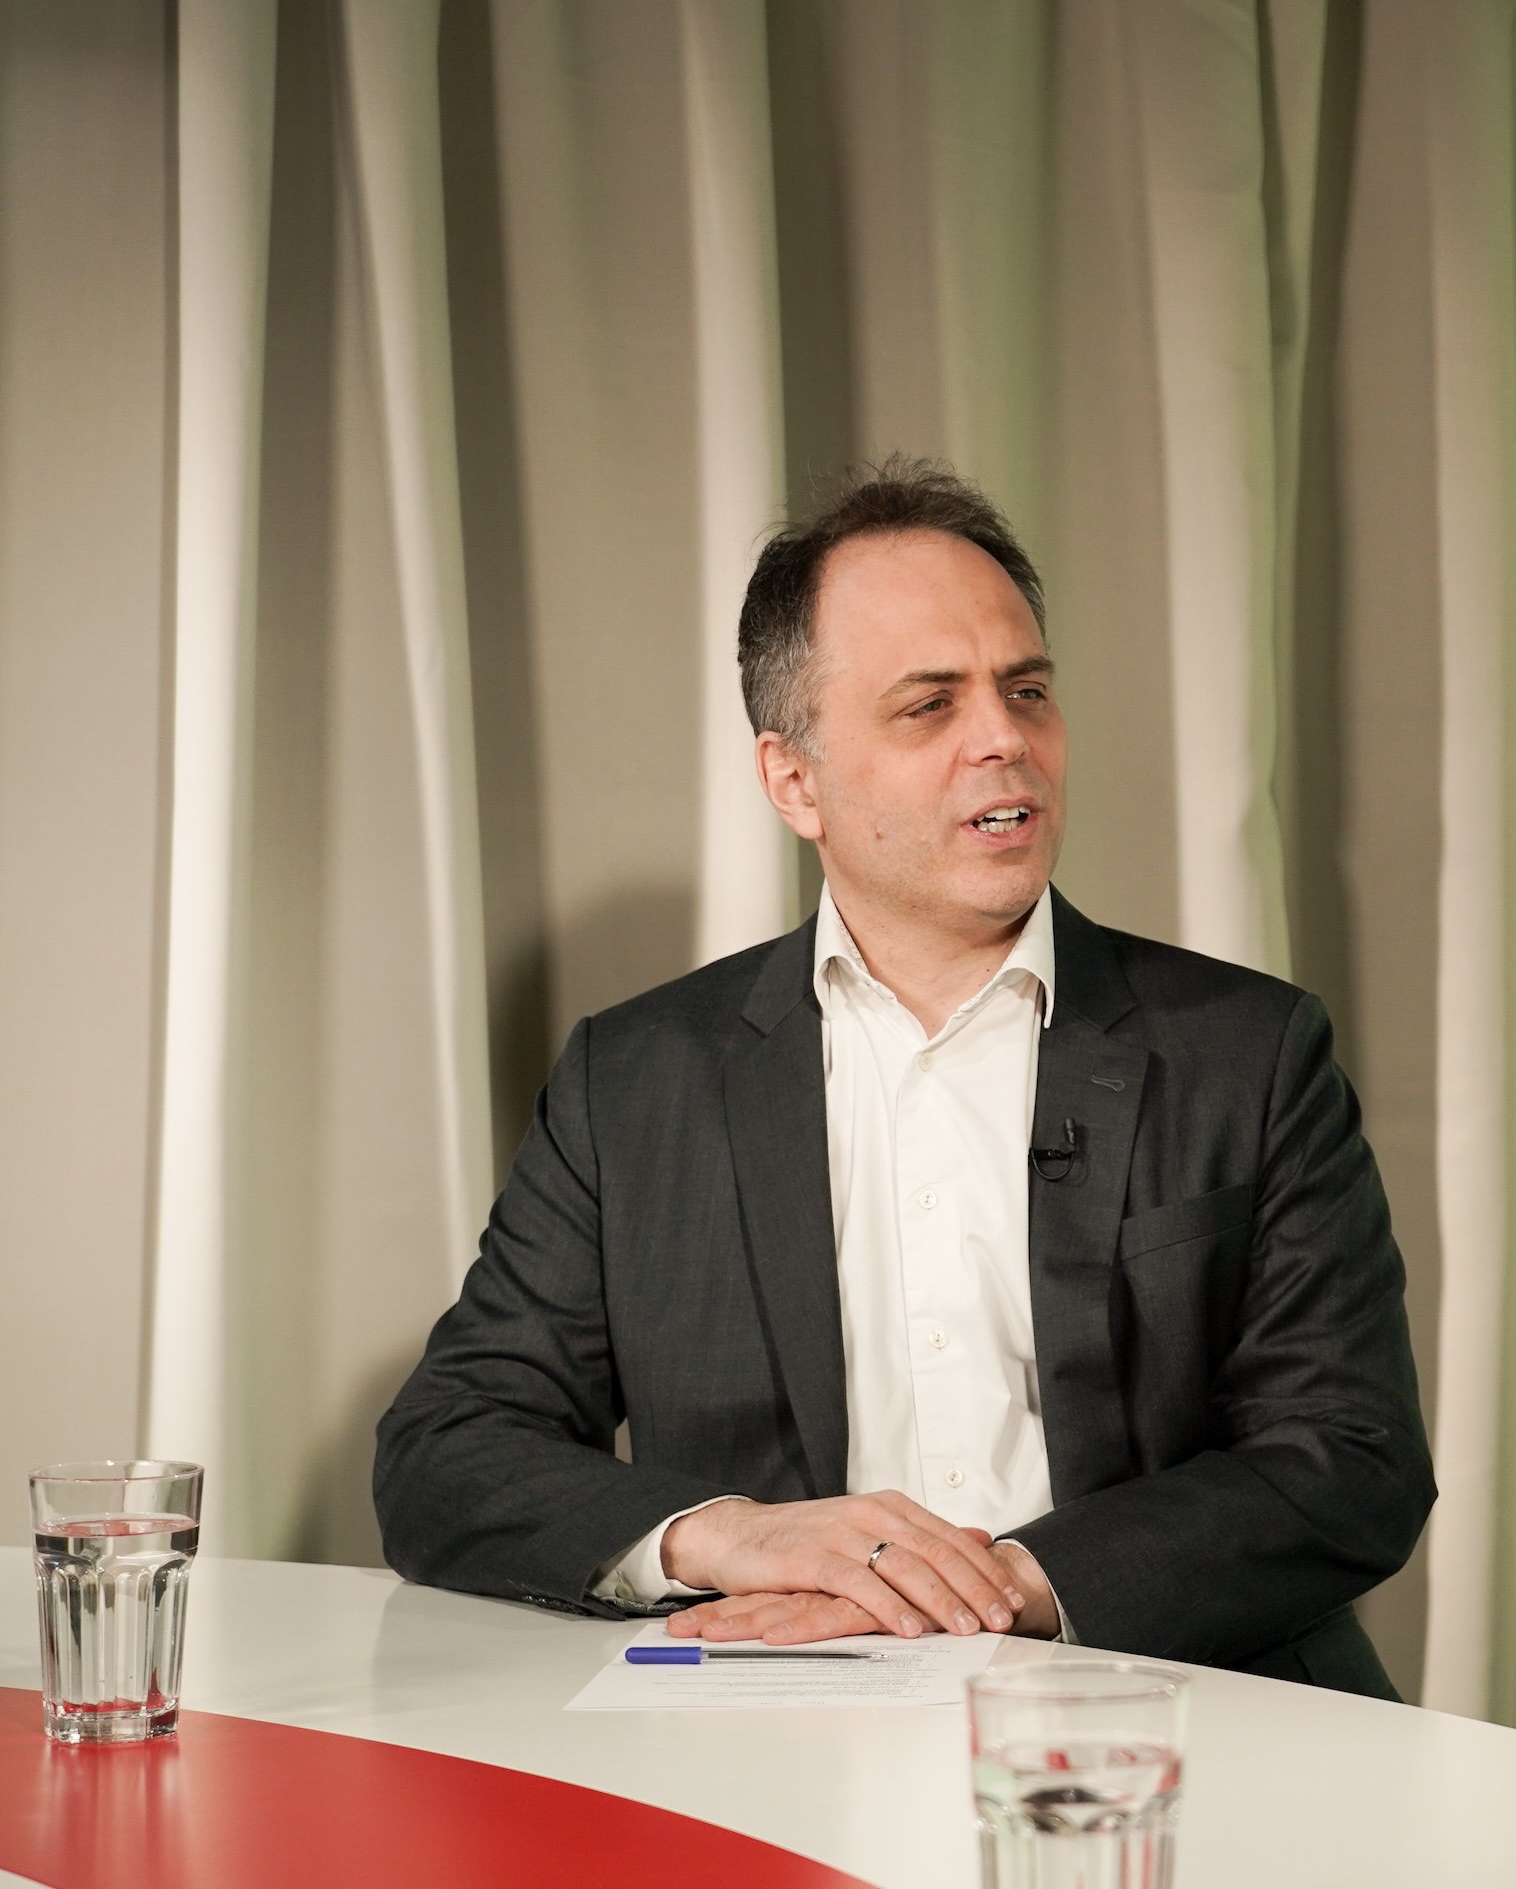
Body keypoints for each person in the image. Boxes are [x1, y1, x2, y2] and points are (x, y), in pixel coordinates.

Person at [374, 460, 1431, 1695]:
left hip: (1174, 1716)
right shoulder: (638, 1081)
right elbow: (447, 1451)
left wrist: (1010, 1587)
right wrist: (734, 1537)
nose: (1005, 740)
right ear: (795, 781)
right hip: (781, 1731)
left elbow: (1350, 1454)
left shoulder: (1248, 1050)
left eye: (1025, 691)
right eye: (930, 706)